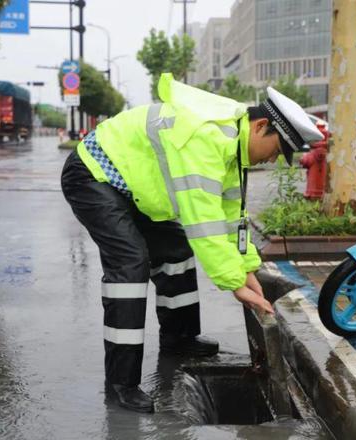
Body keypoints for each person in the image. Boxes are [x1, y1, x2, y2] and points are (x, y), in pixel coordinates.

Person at [61, 73, 323, 413]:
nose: (272, 160)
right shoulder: (208, 136)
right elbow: (202, 220)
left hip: (130, 189)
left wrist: (247, 269)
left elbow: (228, 219)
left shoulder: (232, 143)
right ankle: (121, 383)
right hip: (94, 174)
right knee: (130, 264)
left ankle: (178, 338)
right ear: (261, 126)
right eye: (276, 151)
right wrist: (234, 284)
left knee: (176, 249)